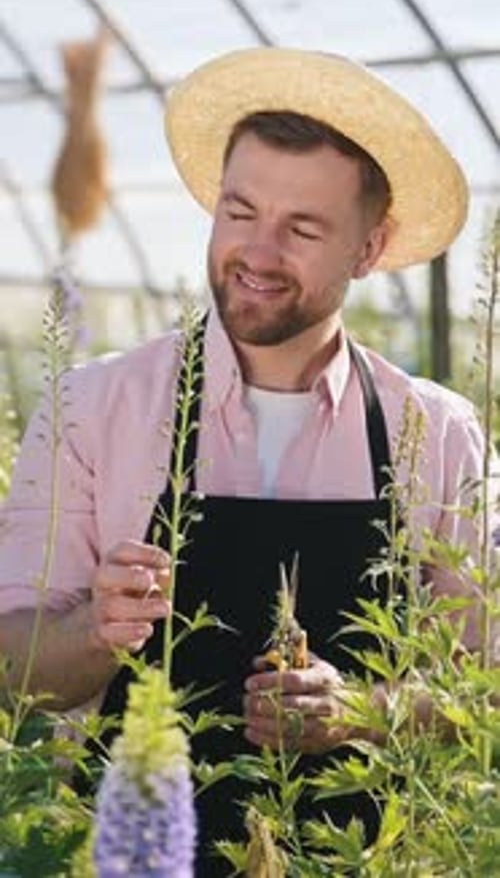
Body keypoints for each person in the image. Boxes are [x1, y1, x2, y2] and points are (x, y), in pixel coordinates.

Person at [0, 48, 496, 873]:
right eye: (239, 212)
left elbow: (486, 687)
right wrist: (95, 631)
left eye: (302, 229)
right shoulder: (94, 409)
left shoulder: (438, 434)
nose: (257, 253)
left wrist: (366, 711)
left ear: (368, 250)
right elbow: (11, 667)